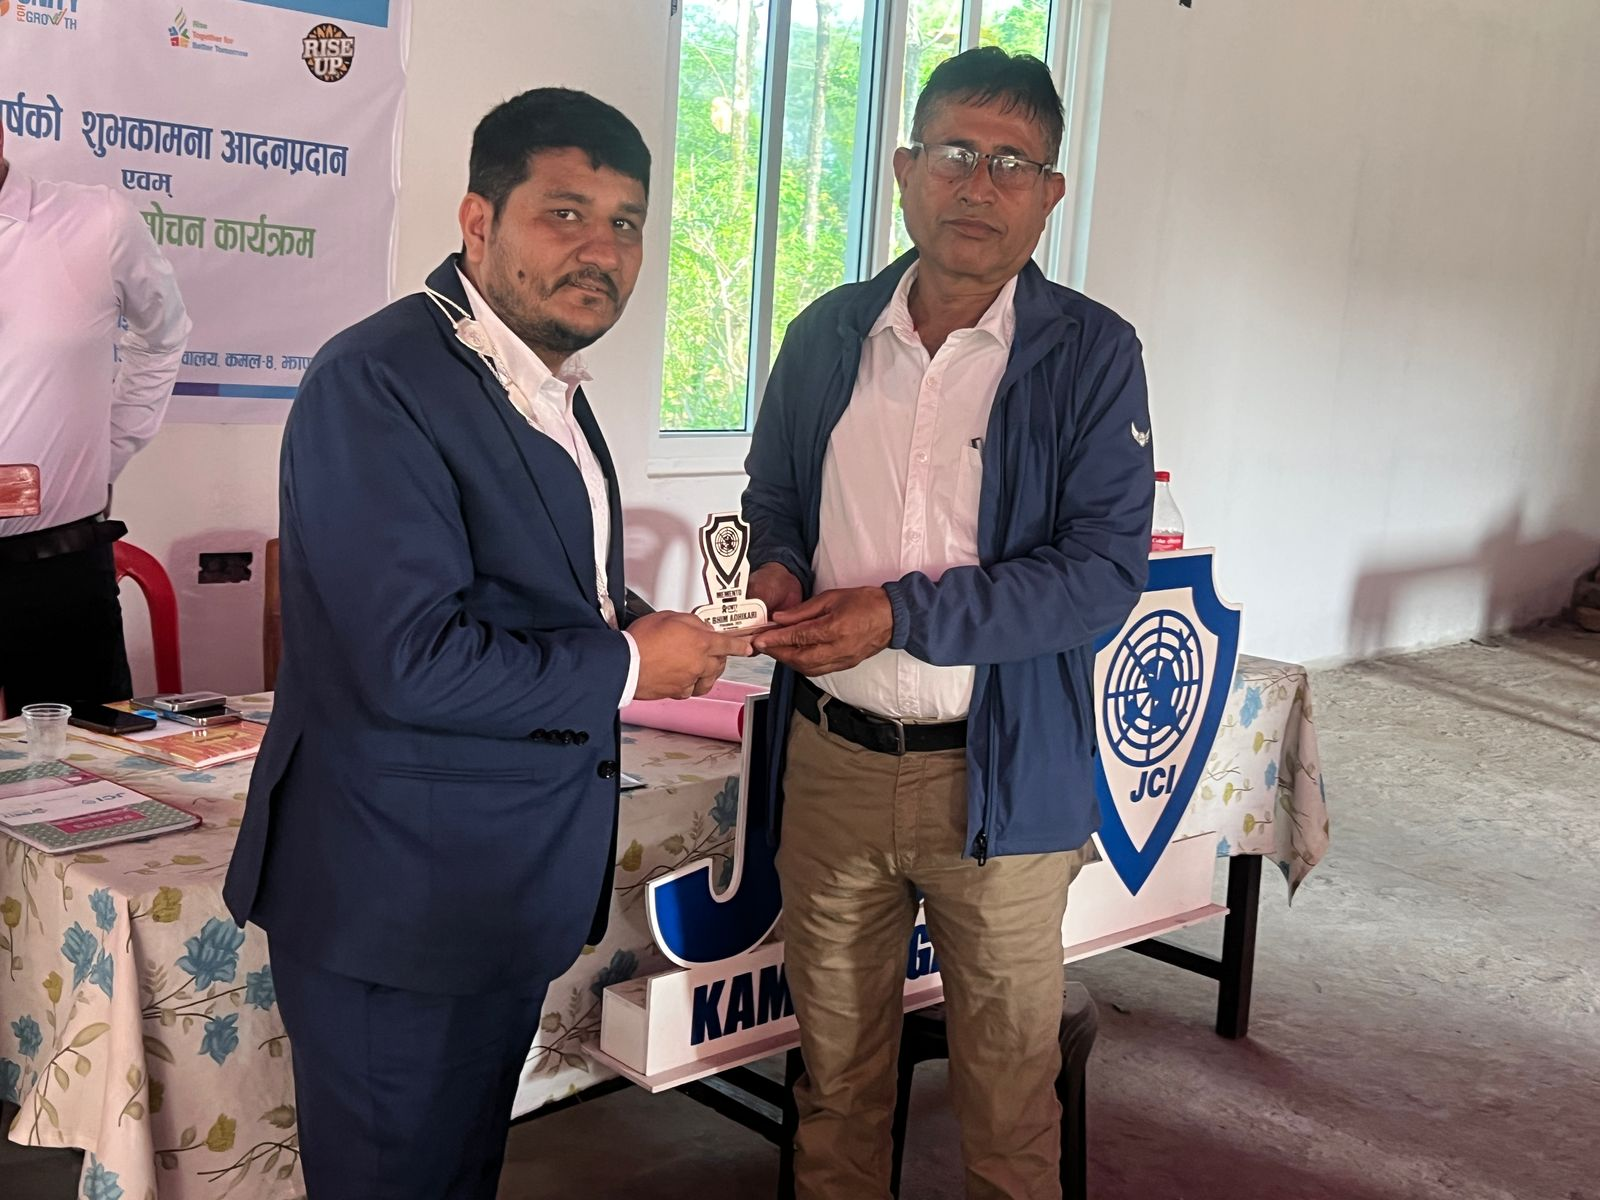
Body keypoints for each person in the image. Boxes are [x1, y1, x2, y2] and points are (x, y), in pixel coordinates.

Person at [223, 88, 751, 1200]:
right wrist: (629, 666)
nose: (601, 249)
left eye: (625, 223)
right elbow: (406, 658)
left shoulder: (543, 384)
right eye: (564, 213)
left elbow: (534, 584)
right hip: (396, 897)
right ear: (478, 221)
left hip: (498, 887)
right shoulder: (378, 380)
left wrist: (639, 622)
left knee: (457, 1175)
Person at [742, 48, 1155, 1199]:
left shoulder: (1090, 354)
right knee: (834, 1088)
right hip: (831, 765)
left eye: (1012, 162)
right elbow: (776, 495)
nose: (979, 185)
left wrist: (896, 614)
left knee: (1008, 1100)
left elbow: (1098, 576)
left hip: (1002, 777)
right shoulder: (827, 333)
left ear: (1050, 193)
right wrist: (776, 569)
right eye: (956, 153)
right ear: (903, 169)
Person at [0, 122, 191, 716]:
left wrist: (110, 448)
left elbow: (162, 336)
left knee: (77, 764)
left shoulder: (97, 221)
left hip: (55, 571)